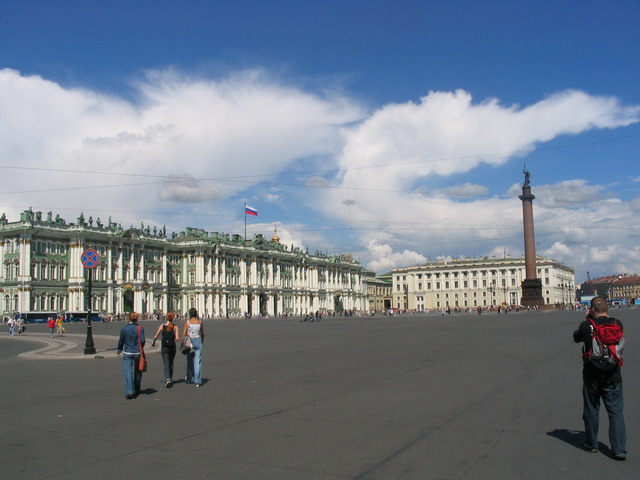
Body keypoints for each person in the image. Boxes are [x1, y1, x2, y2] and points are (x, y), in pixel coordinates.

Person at [573, 296, 626, 460]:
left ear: (592, 309)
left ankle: (591, 444)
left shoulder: (586, 325)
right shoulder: (617, 324)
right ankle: (618, 449)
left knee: (591, 409)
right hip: (613, 373)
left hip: (592, 374)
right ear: (607, 308)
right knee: (616, 412)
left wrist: (587, 321)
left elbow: (576, 337)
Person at [117, 312, 146, 399]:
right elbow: (142, 340)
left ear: (128, 318)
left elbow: (121, 341)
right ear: (136, 318)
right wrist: (140, 347)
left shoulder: (124, 329)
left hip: (128, 353)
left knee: (128, 373)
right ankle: (137, 389)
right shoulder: (140, 328)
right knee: (138, 372)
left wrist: (119, 349)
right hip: (137, 353)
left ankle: (130, 391)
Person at [151, 311, 179, 388]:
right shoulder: (175, 326)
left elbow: (156, 335)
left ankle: (168, 379)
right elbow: (177, 338)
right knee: (171, 363)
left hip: (164, 347)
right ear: (173, 318)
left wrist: (153, 342)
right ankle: (170, 378)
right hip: (172, 347)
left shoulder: (162, 326)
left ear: (166, 317)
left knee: (166, 363)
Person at [182, 307, 205, 387]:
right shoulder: (200, 322)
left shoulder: (187, 322)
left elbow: (184, 334)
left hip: (190, 342)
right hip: (198, 341)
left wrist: (184, 342)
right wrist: (201, 340)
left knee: (189, 360)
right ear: (196, 314)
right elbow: (202, 333)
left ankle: (189, 378)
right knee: (197, 361)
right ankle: (197, 381)